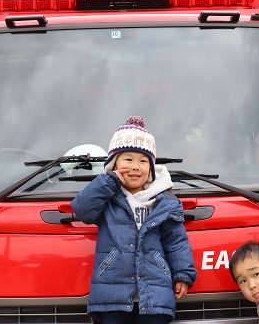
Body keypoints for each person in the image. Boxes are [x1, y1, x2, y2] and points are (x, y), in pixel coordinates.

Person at [71, 116, 197, 324]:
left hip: (155, 296)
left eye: (143, 161)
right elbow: (82, 209)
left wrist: (183, 273)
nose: (136, 166)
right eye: (128, 160)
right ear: (114, 164)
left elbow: (176, 241)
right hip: (112, 296)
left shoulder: (165, 201)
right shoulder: (107, 196)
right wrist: (108, 181)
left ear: (151, 167)